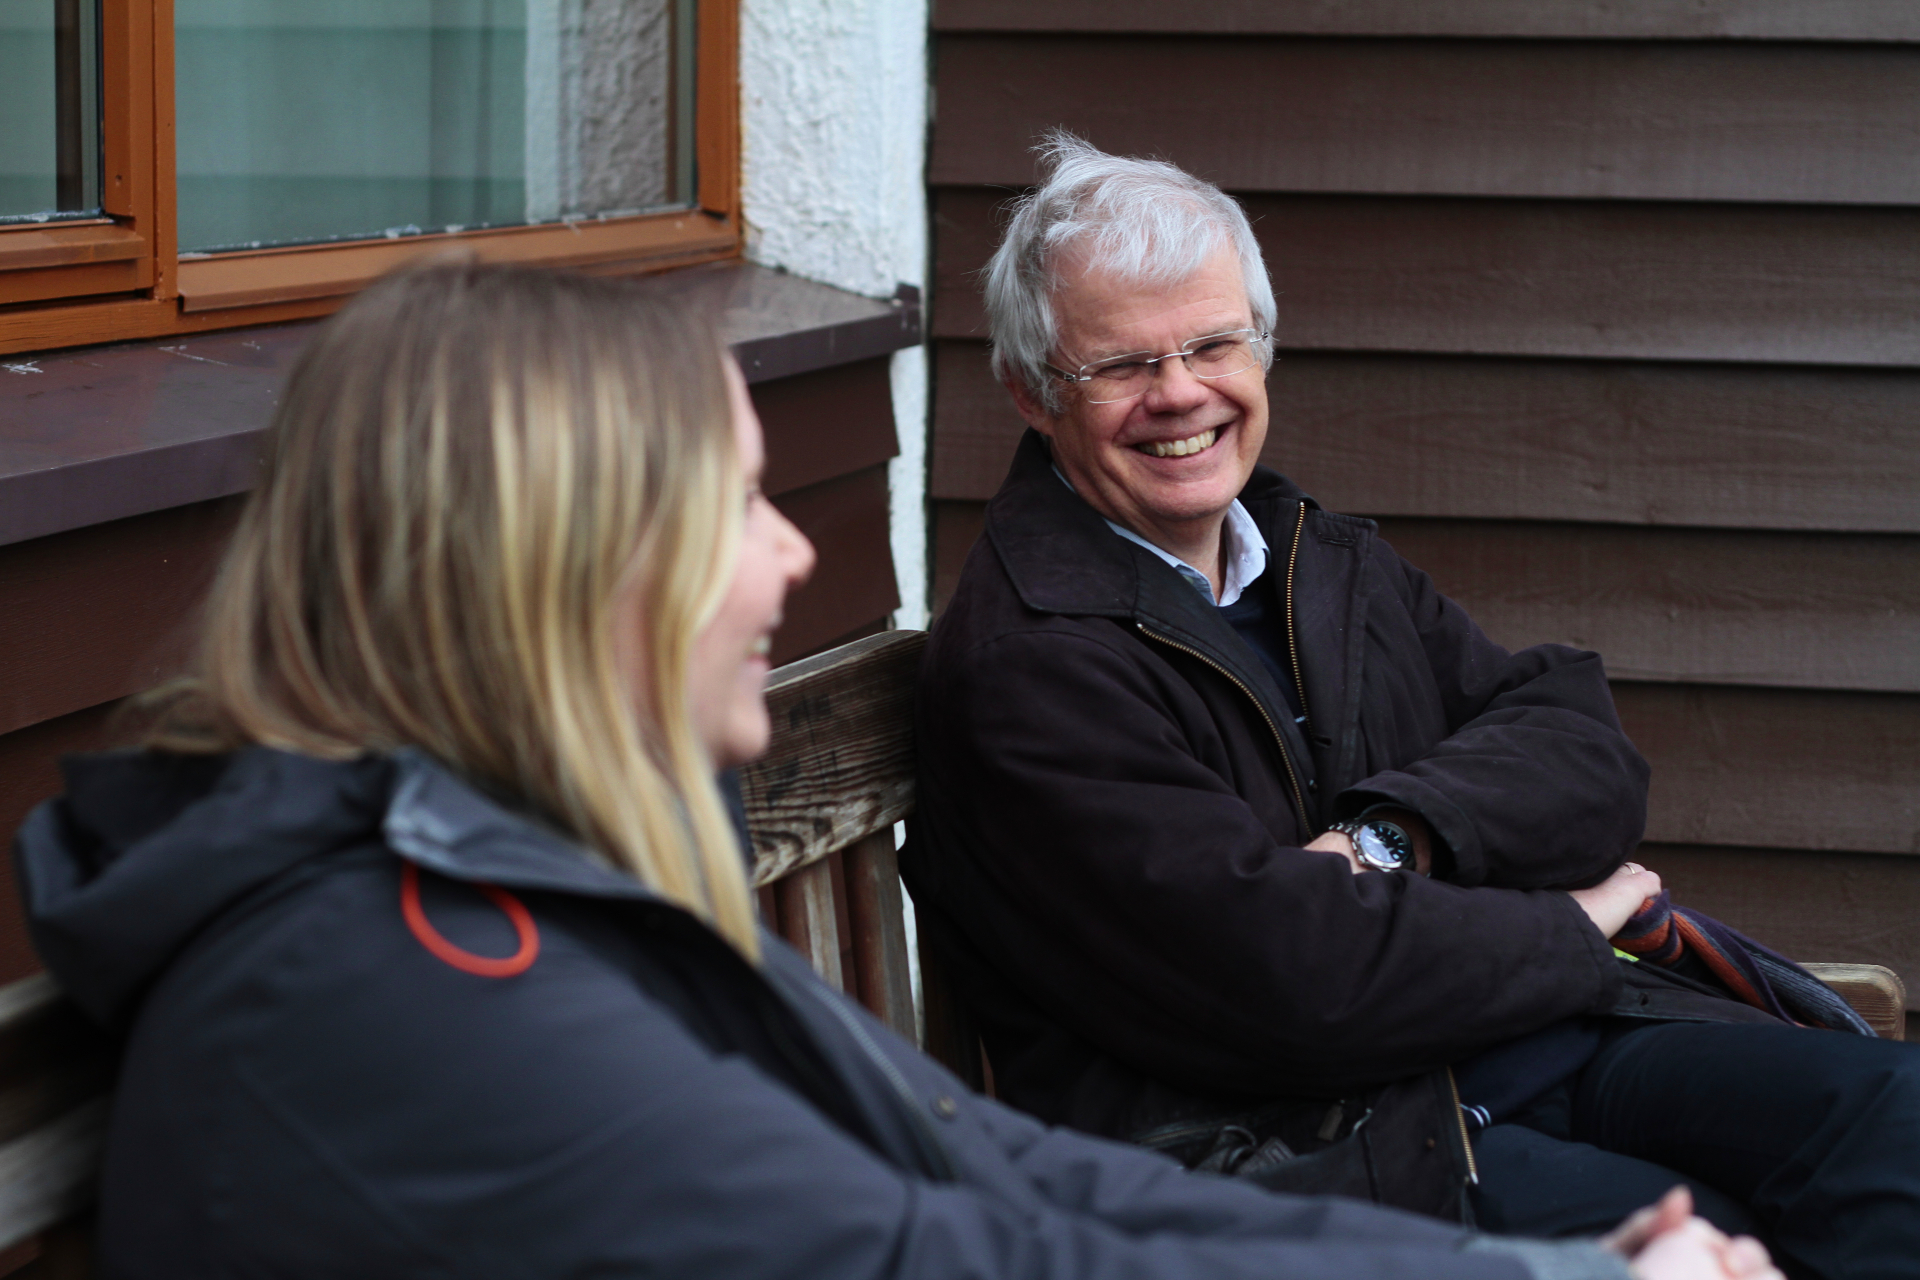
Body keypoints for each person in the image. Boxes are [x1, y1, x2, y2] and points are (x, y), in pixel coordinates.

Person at [10, 260, 1769, 1279]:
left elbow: (998, 1176)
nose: (793, 558)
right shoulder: (394, 989)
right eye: (740, 504)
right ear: (559, 562)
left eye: (1216, 345)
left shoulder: (515, 895)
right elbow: (974, 1254)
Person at [903, 132, 1920, 1277]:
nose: (1180, 392)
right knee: (1710, 1245)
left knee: (1894, 1121)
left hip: (1516, 1048)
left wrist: (1396, 834)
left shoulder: (1314, 558)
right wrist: (1571, 926)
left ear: (1262, 346)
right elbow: (1288, 978)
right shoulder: (1027, 663)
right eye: (1123, 365)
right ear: (1033, 393)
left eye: (1211, 343)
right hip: (1296, 1150)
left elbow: (1579, 744)